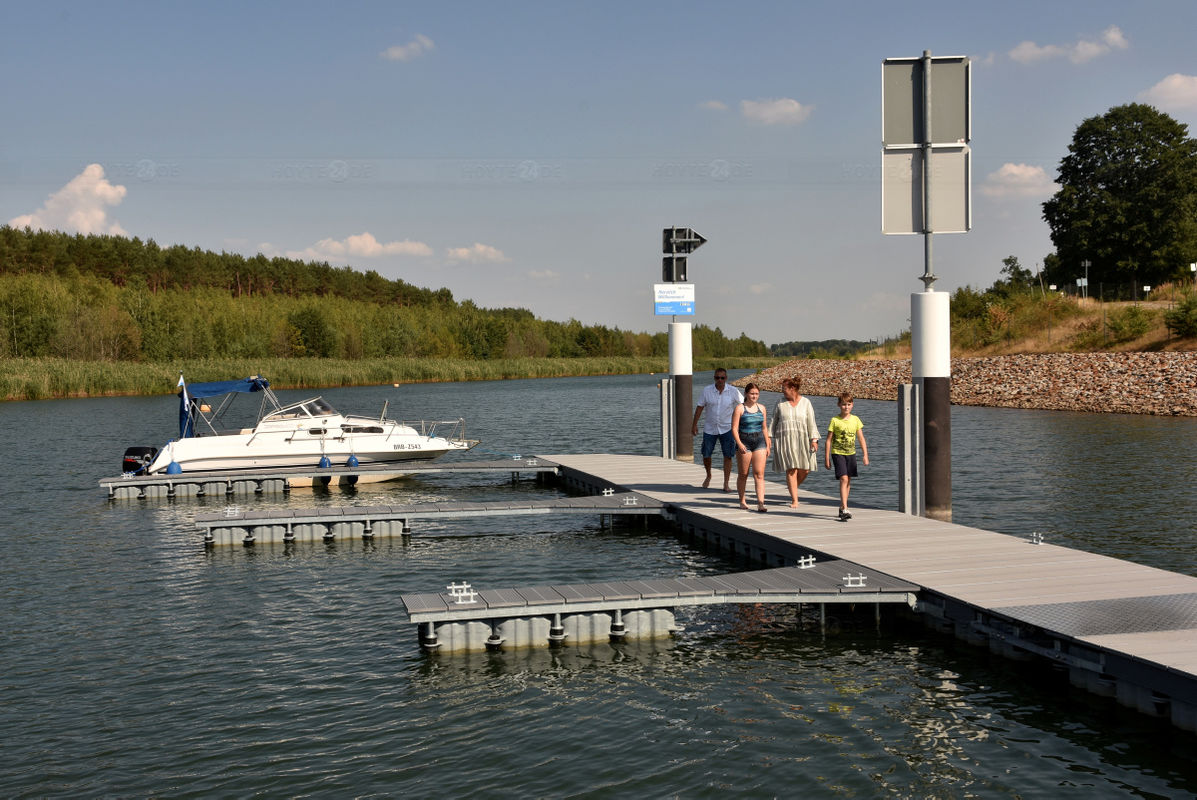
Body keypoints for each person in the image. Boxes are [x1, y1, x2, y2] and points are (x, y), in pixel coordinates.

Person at [769, 377, 820, 507]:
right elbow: (773, 421)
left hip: (802, 439)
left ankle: (793, 488)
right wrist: (769, 438)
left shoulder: (806, 402)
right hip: (785, 439)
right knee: (791, 469)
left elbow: (811, 422)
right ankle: (795, 500)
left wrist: (814, 440)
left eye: (784, 388)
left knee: (806, 469)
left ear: (793, 389)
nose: (782, 391)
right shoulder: (780, 403)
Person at [691, 368, 743, 491]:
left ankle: (726, 483)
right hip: (710, 428)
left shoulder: (733, 391)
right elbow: (699, 408)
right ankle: (708, 475)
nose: (719, 380)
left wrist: (742, 422)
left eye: (722, 378)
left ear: (726, 378)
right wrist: (694, 424)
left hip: (727, 428)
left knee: (728, 455)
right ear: (714, 378)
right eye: (717, 377)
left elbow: (743, 405)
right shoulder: (707, 391)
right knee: (706, 454)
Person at [825, 392, 869, 520]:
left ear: (852, 405)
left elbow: (861, 438)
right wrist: (827, 458)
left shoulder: (856, 420)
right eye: (844, 404)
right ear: (839, 405)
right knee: (843, 479)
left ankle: (841, 506)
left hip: (851, 454)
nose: (846, 407)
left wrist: (865, 455)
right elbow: (828, 440)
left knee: (848, 480)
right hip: (838, 453)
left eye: (849, 404)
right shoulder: (834, 420)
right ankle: (845, 508)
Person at [731, 383, 771, 512]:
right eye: (752, 393)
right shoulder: (740, 408)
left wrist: (768, 443)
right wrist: (740, 444)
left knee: (759, 473)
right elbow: (734, 429)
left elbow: (764, 428)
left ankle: (760, 503)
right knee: (743, 473)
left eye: (756, 394)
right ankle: (742, 500)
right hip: (744, 441)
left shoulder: (762, 408)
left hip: (759, 441)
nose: (754, 396)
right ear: (746, 394)